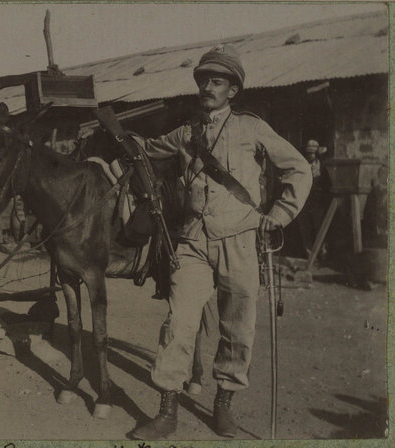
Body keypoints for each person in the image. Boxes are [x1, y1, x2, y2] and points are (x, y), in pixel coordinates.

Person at [131, 45, 312, 440]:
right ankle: (167, 410)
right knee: (178, 323)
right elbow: (144, 150)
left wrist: (279, 215)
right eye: (203, 80)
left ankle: (224, 405)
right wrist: (117, 135)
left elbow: (299, 168)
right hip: (193, 242)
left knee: (237, 327)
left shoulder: (252, 128)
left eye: (216, 81)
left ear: (233, 89)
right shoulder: (186, 131)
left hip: (241, 239)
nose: (207, 87)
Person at [297, 139, 328, 255]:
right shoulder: (302, 165)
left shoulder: (322, 166)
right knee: (305, 225)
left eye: (312, 153)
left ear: (316, 154)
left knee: (319, 224)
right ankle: (308, 251)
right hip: (304, 198)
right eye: (308, 153)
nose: (310, 155)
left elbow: (326, 182)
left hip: (317, 199)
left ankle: (322, 249)